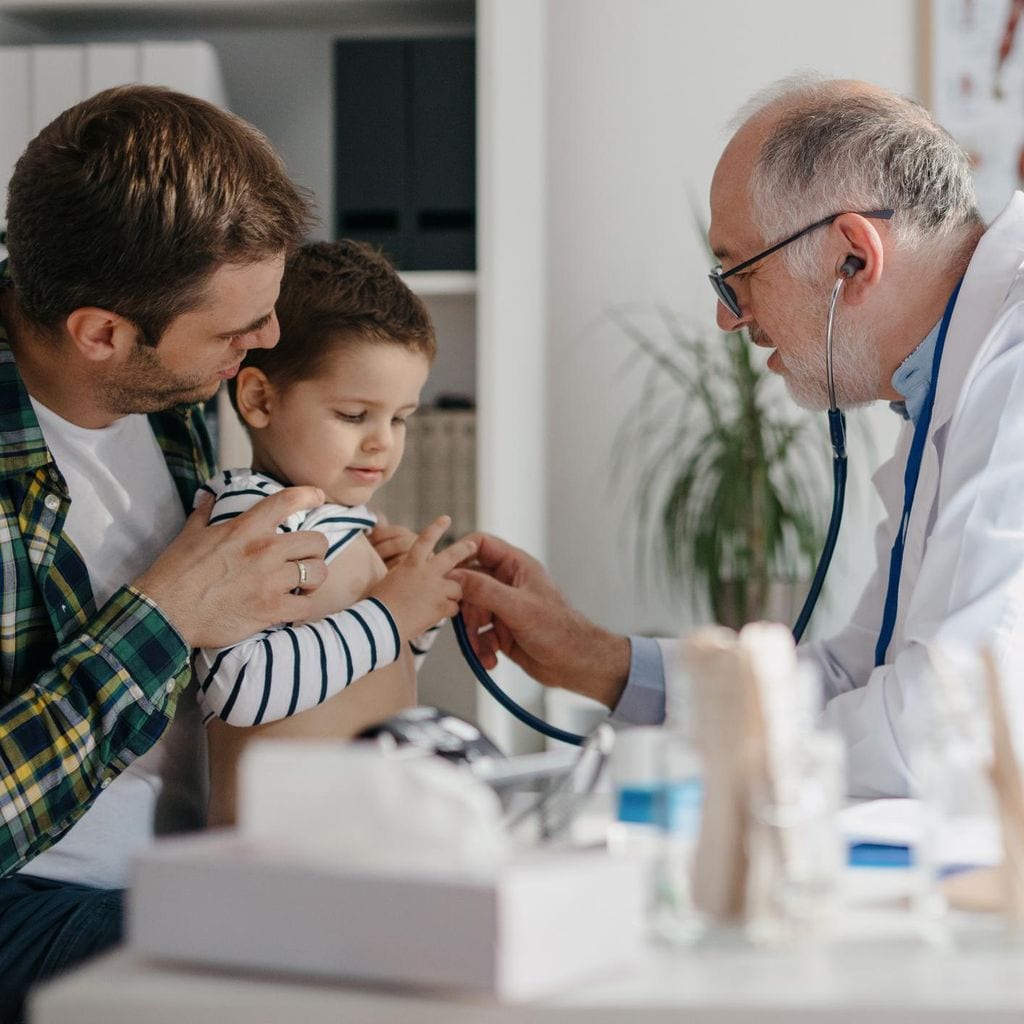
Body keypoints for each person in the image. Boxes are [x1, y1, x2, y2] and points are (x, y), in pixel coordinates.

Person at [0, 85, 458, 1018]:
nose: (270, 344)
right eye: (237, 330)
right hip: (36, 898)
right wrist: (165, 615)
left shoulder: (172, 396)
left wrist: (353, 574)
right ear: (102, 334)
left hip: (190, 858)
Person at [454, 75, 1022, 800]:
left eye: (737, 274)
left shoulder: (1011, 378)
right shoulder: (947, 383)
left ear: (853, 255)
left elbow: (936, 733)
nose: (729, 318)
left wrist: (672, 778)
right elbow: (859, 675)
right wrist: (598, 660)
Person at [193, 240, 472, 823]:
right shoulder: (254, 515)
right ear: (259, 398)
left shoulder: (354, 524)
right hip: (274, 867)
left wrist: (414, 620)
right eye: (353, 415)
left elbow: (347, 683)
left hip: (350, 848)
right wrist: (389, 616)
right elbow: (239, 687)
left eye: (399, 418)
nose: (382, 441)